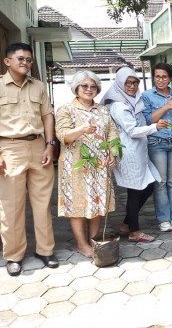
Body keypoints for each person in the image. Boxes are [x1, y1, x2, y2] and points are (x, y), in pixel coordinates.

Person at [0, 43, 58, 276]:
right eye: (20, 59)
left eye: (29, 60)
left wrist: (50, 144)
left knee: (42, 203)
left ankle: (45, 250)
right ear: (7, 62)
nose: (26, 63)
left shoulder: (38, 86)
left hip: (38, 146)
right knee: (11, 207)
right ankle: (13, 255)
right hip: (9, 148)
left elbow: (47, 116)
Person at [101, 67, 170, 243]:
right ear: (119, 84)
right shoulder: (119, 104)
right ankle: (135, 231)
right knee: (135, 191)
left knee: (148, 185)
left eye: (135, 82)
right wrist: (155, 127)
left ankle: (126, 225)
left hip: (139, 151)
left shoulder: (132, 100)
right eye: (128, 83)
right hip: (129, 152)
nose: (132, 86)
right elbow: (131, 130)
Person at [55, 71, 119, 257]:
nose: (89, 90)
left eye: (93, 86)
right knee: (77, 205)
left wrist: (113, 153)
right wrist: (81, 129)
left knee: (98, 204)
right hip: (75, 165)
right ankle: (82, 244)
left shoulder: (103, 110)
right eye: (84, 86)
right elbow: (62, 135)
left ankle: (94, 242)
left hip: (99, 165)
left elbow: (112, 133)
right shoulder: (66, 109)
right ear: (76, 87)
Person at [142, 63, 172, 233]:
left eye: (164, 77)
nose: (160, 80)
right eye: (157, 76)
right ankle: (164, 219)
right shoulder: (147, 95)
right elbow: (147, 120)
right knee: (161, 182)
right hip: (157, 143)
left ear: (170, 79)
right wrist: (166, 107)